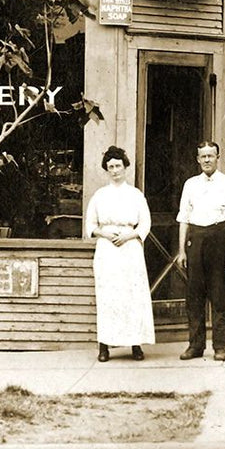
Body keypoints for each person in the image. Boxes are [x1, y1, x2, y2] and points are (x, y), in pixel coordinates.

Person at [174, 140, 225, 362]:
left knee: (218, 293)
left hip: (219, 239)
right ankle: (195, 345)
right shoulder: (190, 185)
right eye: (203, 156)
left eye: (210, 156)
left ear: (217, 158)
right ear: (198, 159)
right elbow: (184, 219)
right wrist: (182, 251)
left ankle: (220, 346)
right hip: (195, 239)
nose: (207, 160)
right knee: (194, 295)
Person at [83, 145, 155, 362]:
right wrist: (104, 233)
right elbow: (90, 225)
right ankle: (104, 346)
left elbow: (145, 224)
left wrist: (129, 236)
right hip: (107, 250)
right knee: (108, 296)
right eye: (111, 167)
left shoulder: (135, 195)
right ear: (106, 170)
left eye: (118, 166)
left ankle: (135, 344)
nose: (115, 171)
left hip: (130, 248)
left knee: (132, 296)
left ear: (125, 168)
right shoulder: (100, 196)